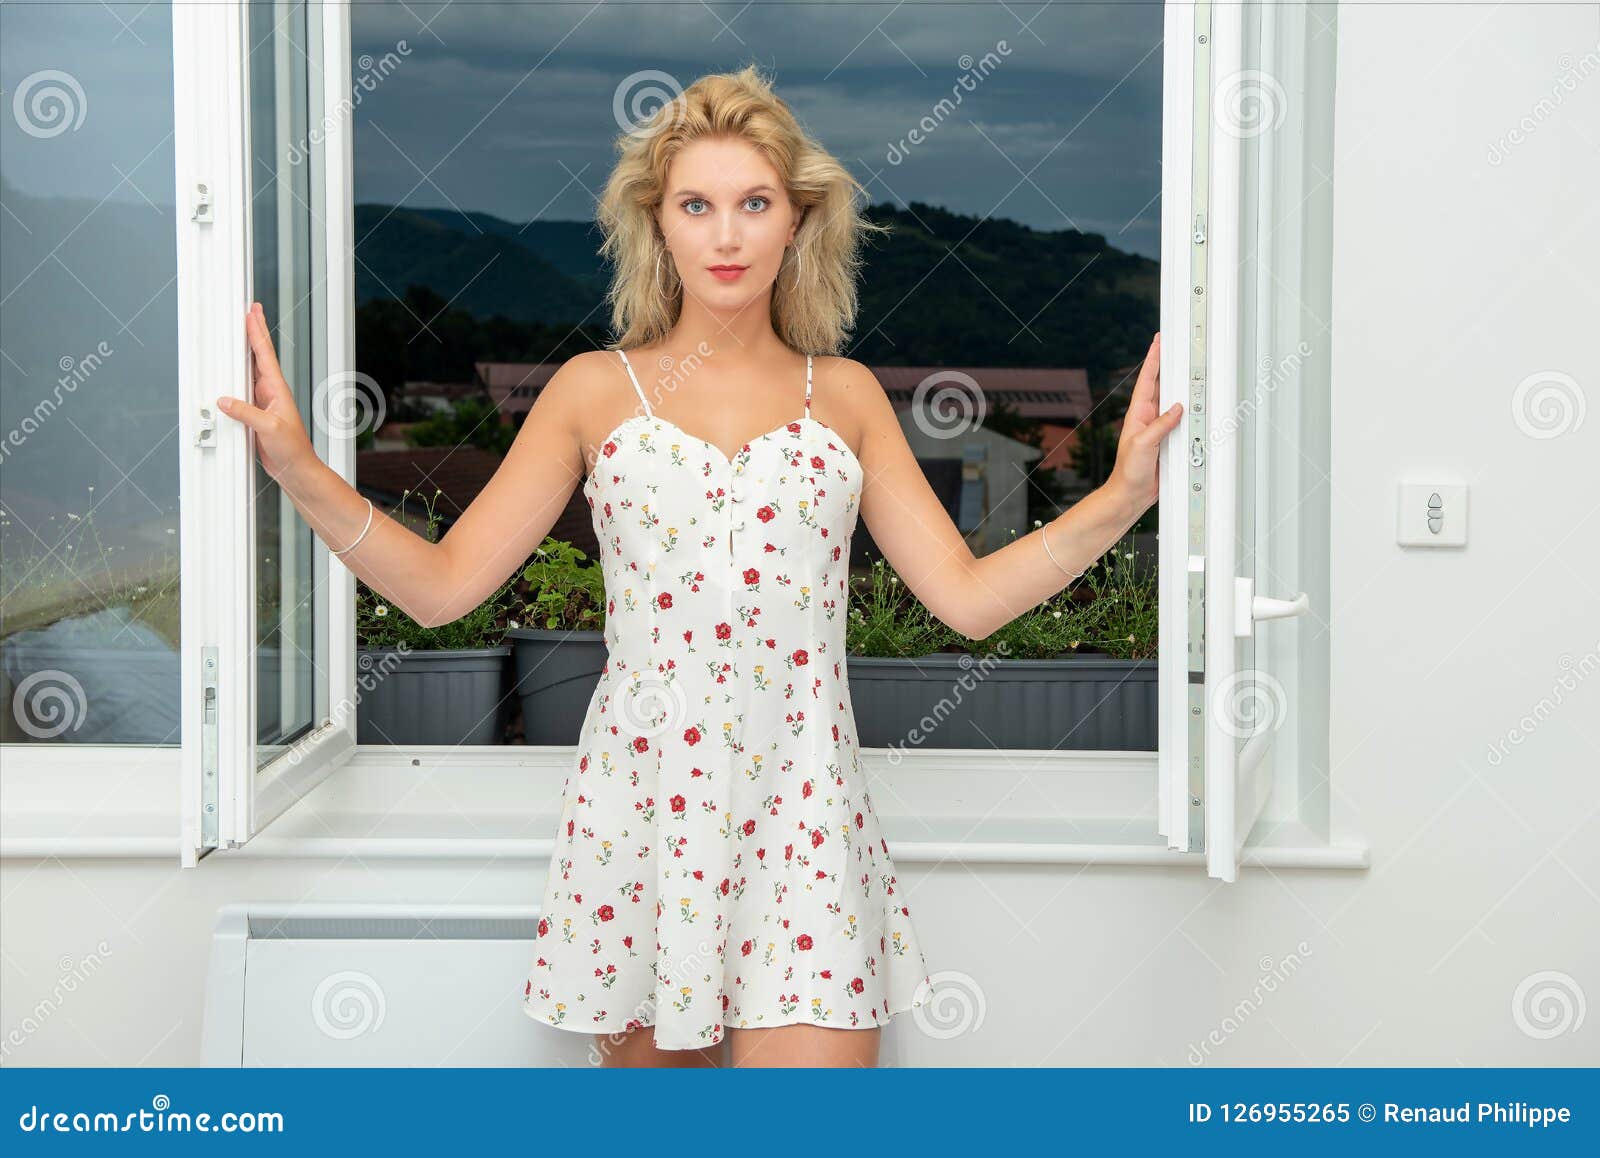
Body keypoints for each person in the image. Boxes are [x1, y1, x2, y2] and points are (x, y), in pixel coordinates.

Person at [217, 63, 1182, 1069]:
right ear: (658, 225)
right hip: (640, 817)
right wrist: (297, 468)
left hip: (805, 819)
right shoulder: (594, 391)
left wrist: (1122, 497)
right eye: (697, 205)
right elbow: (442, 587)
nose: (726, 234)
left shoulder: (846, 397)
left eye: (753, 204)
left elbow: (969, 601)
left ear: (797, 224)